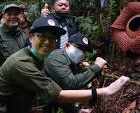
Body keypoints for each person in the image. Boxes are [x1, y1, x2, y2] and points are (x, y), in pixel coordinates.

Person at [0, 16, 129, 113]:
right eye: (41, 36)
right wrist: (105, 91)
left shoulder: (40, 58)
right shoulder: (22, 63)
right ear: (31, 37)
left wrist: (75, 111)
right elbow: (61, 93)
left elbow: (51, 91)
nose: (47, 42)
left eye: (52, 38)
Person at [43, 32, 107, 113]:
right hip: (35, 106)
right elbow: (72, 83)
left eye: (84, 50)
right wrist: (97, 66)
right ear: (67, 45)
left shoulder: (72, 63)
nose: (81, 52)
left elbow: (62, 93)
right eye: (79, 48)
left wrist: (77, 111)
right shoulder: (57, 58)